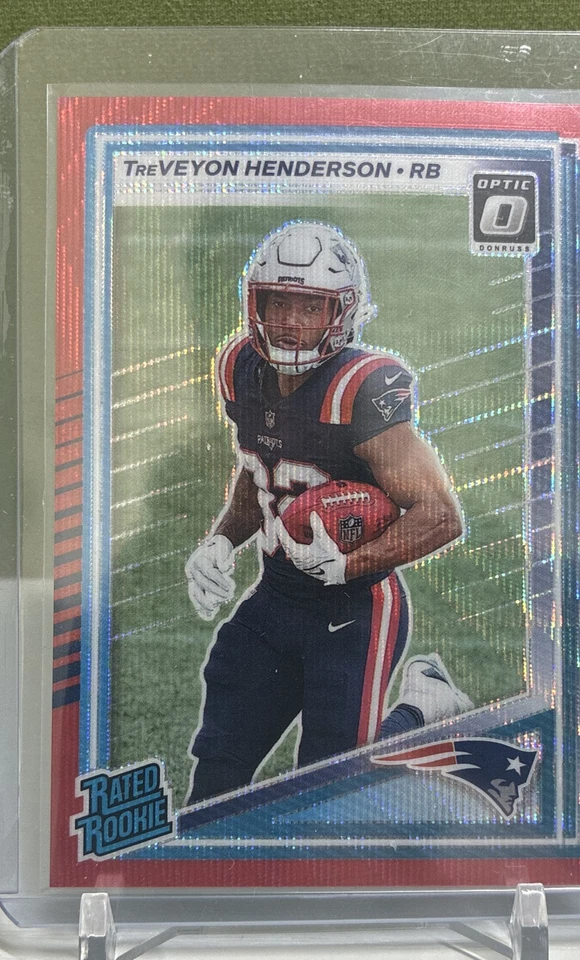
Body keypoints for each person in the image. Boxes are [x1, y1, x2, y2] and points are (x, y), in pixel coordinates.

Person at [185, 221, 472, 805]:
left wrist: (349, 564)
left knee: (331, 792)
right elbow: (263, 466)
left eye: (310, 307)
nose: (290, 321)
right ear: (255, 304)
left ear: (341, 312)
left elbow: (441, 514)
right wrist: (221, 540)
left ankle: (423, 708)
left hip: (353, 610)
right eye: (278, 302)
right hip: (276, 597)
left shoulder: (358, 390)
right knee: (214, 779)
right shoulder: (240, 366)